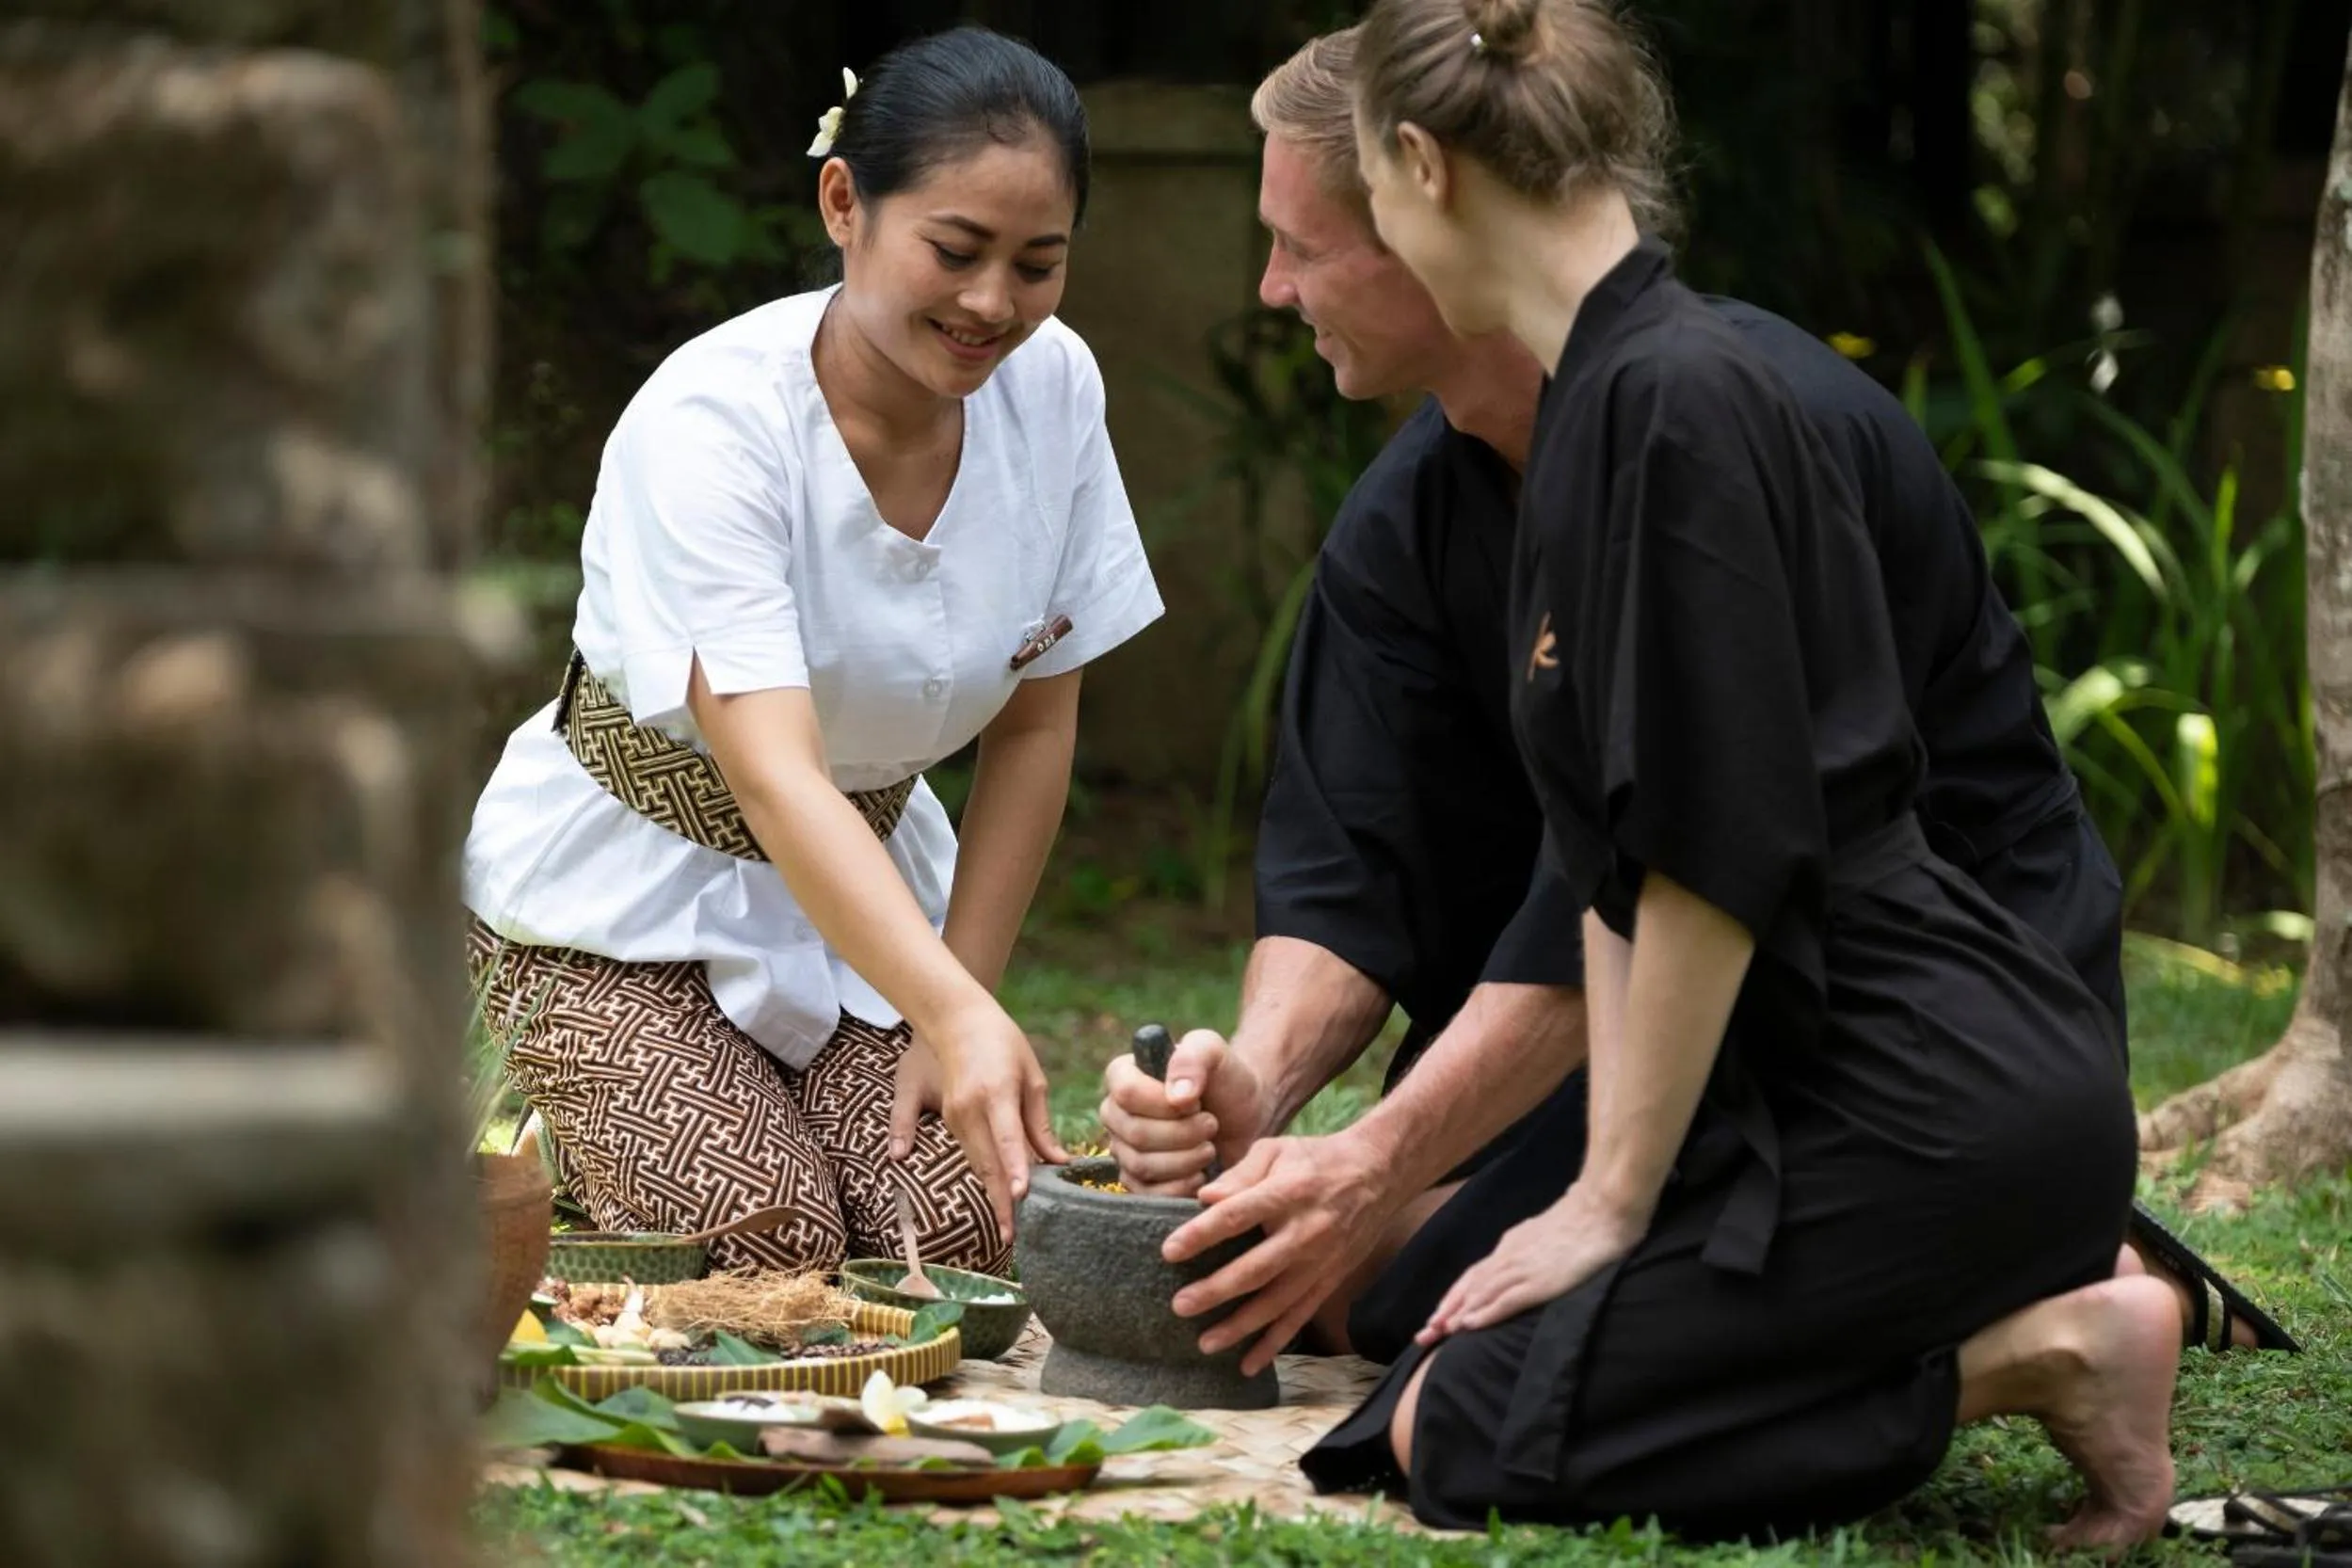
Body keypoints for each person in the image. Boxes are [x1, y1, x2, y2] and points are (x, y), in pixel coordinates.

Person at [1101, 23, 2290, 1376]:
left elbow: (1688, 855)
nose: (1267, 288)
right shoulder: (1415, 512)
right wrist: (1256, 1084)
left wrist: (1379, 1161)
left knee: (1400, 1316)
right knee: (1316, 1277)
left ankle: (2069, 1273)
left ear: (1421, 197)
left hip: (1887, 1018)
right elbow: (1352, 855)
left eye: (1303, 245)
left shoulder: (1717, 423)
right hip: (1649, 1008)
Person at [1277, 0, 2181, 1543]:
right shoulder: (1590, 404)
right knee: (1429, 1353)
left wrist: (1611, 1200)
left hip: (1927, 1092)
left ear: (1419, 165)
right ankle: (2013, 1336)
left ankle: (2045, 1346)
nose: (1293, 275)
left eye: (1353, 191)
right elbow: (1614, 869)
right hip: (1814, 1071)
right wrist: (1589, 1197)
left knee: (1459, 1431)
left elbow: (1709, 852)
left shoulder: (1673, 403)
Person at [463, 27, 1162, 1276]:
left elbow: (1036, 725)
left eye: (1036, 264)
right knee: (766, 1247)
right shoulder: (713, 422)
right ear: (843, 202)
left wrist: (963, 997)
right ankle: (547, 1141)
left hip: (866, 900)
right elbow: (775, 772)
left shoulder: (1052, 387)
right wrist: (948, 1008)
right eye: (953, 251)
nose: (991, 304)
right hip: (616, 901)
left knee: (956, 1236)